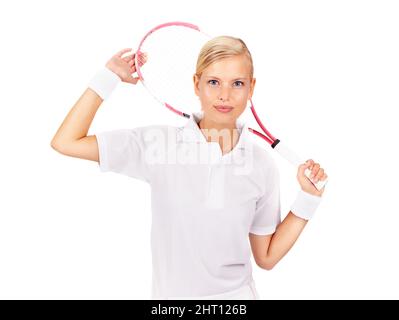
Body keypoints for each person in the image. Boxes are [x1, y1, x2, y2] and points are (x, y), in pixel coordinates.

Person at [51, 36, 328, 300]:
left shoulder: (261, 165)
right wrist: (108, 77)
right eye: (213, 82)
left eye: (238, 83)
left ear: (251, 88)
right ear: (197, 84)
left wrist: (308, 198)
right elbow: (66, 141)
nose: (225, 95)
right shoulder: (158, 145)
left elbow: (266, 257)